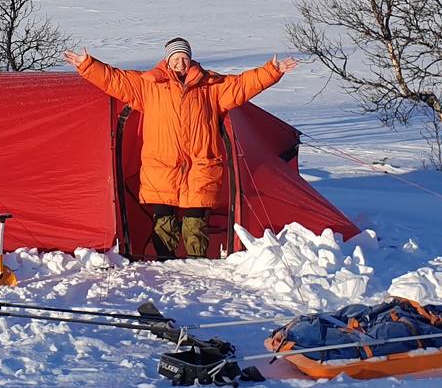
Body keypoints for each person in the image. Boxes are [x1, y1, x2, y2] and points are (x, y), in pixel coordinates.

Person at [64, 37, 295, 260]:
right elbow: (115, 80)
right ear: (167, 60)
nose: (180, 63)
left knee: (196, 220)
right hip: (162, 165)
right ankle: (165, 261)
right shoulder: (149, 84)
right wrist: (88, 65)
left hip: (200, 165)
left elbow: (242, 85)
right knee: (164, 219)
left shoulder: (210, 86)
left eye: (184, 58)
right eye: (175, 58)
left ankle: (196, 262)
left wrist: (272, 71)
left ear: (190, 59)